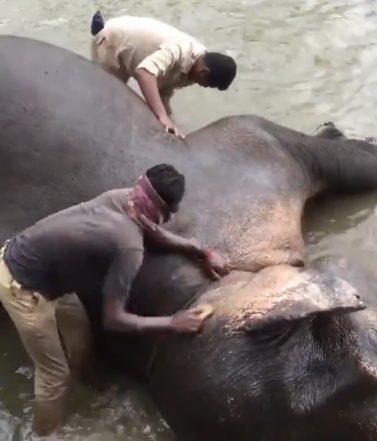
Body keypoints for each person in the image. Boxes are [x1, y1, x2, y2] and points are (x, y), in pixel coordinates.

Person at [0, 164, 231, 435]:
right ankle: (45, 434)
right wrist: (172, 322)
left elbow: (153, 233)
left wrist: (202, 251)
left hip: (52, 277)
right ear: (163, 214)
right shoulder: (128, 247)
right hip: (22, 287)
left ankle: (89, 383)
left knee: (81, 337)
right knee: (55, 376)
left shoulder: (121, 198)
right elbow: (114, 320)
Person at [89, 11, 237, 138]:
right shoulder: (180, 49)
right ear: (204, 72)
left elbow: (163, 88)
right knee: (109, 99)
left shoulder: (197, 66)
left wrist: (170, 119)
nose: (203, 86)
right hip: (112, 40)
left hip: (132, 47)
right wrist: (162, 116)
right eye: (207, 84)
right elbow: (145, 73)